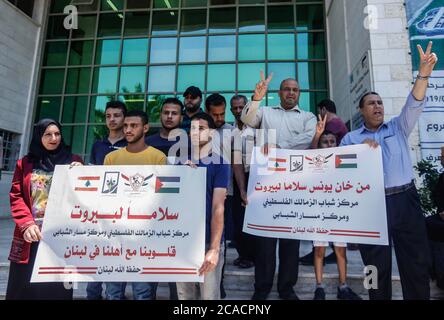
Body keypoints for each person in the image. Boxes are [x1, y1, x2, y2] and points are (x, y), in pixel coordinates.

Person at [340, 41, 438, 300]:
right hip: (369, 205)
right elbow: (338, 171)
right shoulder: (350, 139)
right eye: (371, 103)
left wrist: (424, 73)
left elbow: (414, 101)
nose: (378, 106)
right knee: (374, 267)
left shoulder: (398, 127)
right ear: (361, 111)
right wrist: (360, 152)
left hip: (405, 200)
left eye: (380, 102)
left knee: (415, 263)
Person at [241, 72, 317, 300]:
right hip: (266, 185)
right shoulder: (264, 112)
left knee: (290, 242)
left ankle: (286, 288)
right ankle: (261, 289)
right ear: (279, 93)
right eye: (286, 89)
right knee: (264, 242)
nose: (291, 93)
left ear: (299, 94)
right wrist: (256, 99)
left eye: (295, 90)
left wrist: (274, 145)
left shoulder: (308, 117)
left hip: (295, 185)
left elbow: (307, 139)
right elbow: (247, 120)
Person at [6, 119, 83, 300]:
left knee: (56, 288)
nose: (53, 138)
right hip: (31, 236)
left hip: (60, 236)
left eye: (57, 134)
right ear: (39, 136)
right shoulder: (24, 164)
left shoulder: (74, 161)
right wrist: (26, 224)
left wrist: (82, 174)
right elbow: (16, 196)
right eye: (48, 134)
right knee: (24, 285)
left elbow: (83, 195)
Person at [104, 110, 166, 300]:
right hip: (115, 235)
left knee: (142, 292)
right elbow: (106, 197)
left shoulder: (159, 158)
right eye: (126, 126)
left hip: (144, 237)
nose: (128, 130)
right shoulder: (111, 159)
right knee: (113, 292)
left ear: (145, 128)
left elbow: (161, 199)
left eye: (134, 126)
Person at [176, 113, 229, 300]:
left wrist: (214, 248)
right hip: (183, 241)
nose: (195, 133)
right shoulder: (179, 163)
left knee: (209, 297)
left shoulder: (221, 164)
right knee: (185, 297)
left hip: (208, 241)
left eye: (201, 128)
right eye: (192, 129)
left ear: (212, 133)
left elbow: (218, 207)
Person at [310, 127, 361, 300]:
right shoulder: (313, 163)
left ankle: (343, 286)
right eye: (325, 142)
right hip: (318, 212)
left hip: (339, 211)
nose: (329, 144)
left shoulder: (342, 161)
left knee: (340, 250)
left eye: (332, 141)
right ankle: (319, 287)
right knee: (319, 251)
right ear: (320, 144)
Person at [87, 100, 127, 300]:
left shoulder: (131, 145)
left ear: (124, 118)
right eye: (108, 116)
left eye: (117, 115)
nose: (112, 119)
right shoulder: (97, 145)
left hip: (123, 215)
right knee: (94, 267)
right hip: (98, 214)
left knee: (117, 266)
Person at [145, 98, 185, 300]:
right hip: (148, 216)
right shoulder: (147, 142)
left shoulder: (189, 143)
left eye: (174, 113)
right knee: (148, 272)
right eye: (166, 112)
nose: (169, 116)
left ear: (181, 117)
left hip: (176, 216)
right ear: (160, 115)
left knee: (174, 276)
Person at [205, 93, 234, 299]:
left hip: (226, 192)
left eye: (222, 113)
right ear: (208, 113)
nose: (219, 118)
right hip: (205, 194)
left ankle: (219, 282)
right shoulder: (198, 132)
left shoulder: (232, 131)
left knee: (220, 241)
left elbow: (238, 162)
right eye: (215, 114)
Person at [230, 94, 255, 269]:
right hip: (236, 177)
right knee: (238, 219)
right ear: (231, 110)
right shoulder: (229, 131)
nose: (239, 111)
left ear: (247, 107)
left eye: (242, 107)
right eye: (235, 108)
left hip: (255, 176)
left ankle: (253, 256)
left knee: (252, 219)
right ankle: (243, 255)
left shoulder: (256, 128)